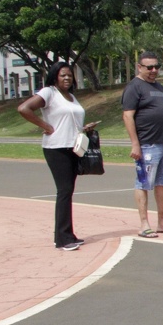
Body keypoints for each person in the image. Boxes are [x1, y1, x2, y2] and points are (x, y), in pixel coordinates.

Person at [18, 62, 96, 251]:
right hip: (56, 148)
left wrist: (84, 128)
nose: (67, 78)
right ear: (55, 77)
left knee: (68, 191)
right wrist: (46, 126)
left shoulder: (71, 96)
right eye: (63, 75)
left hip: (73, 147)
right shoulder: (49, 92)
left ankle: (65, 234)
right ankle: (63, 239)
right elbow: (23, 109)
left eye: (70, 75)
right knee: (64, 190)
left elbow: (68, 120)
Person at [122, 51, 163, 238]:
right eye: (149, 67)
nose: (154, 70)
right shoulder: (134, 87)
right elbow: (127, 116)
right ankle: (144, 224)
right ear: (139, 67)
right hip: (147, 144)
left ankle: (162, 222)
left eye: (157, 66)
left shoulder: (159, 87)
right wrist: (135, 144)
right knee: (143, 183)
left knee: (162, 183)